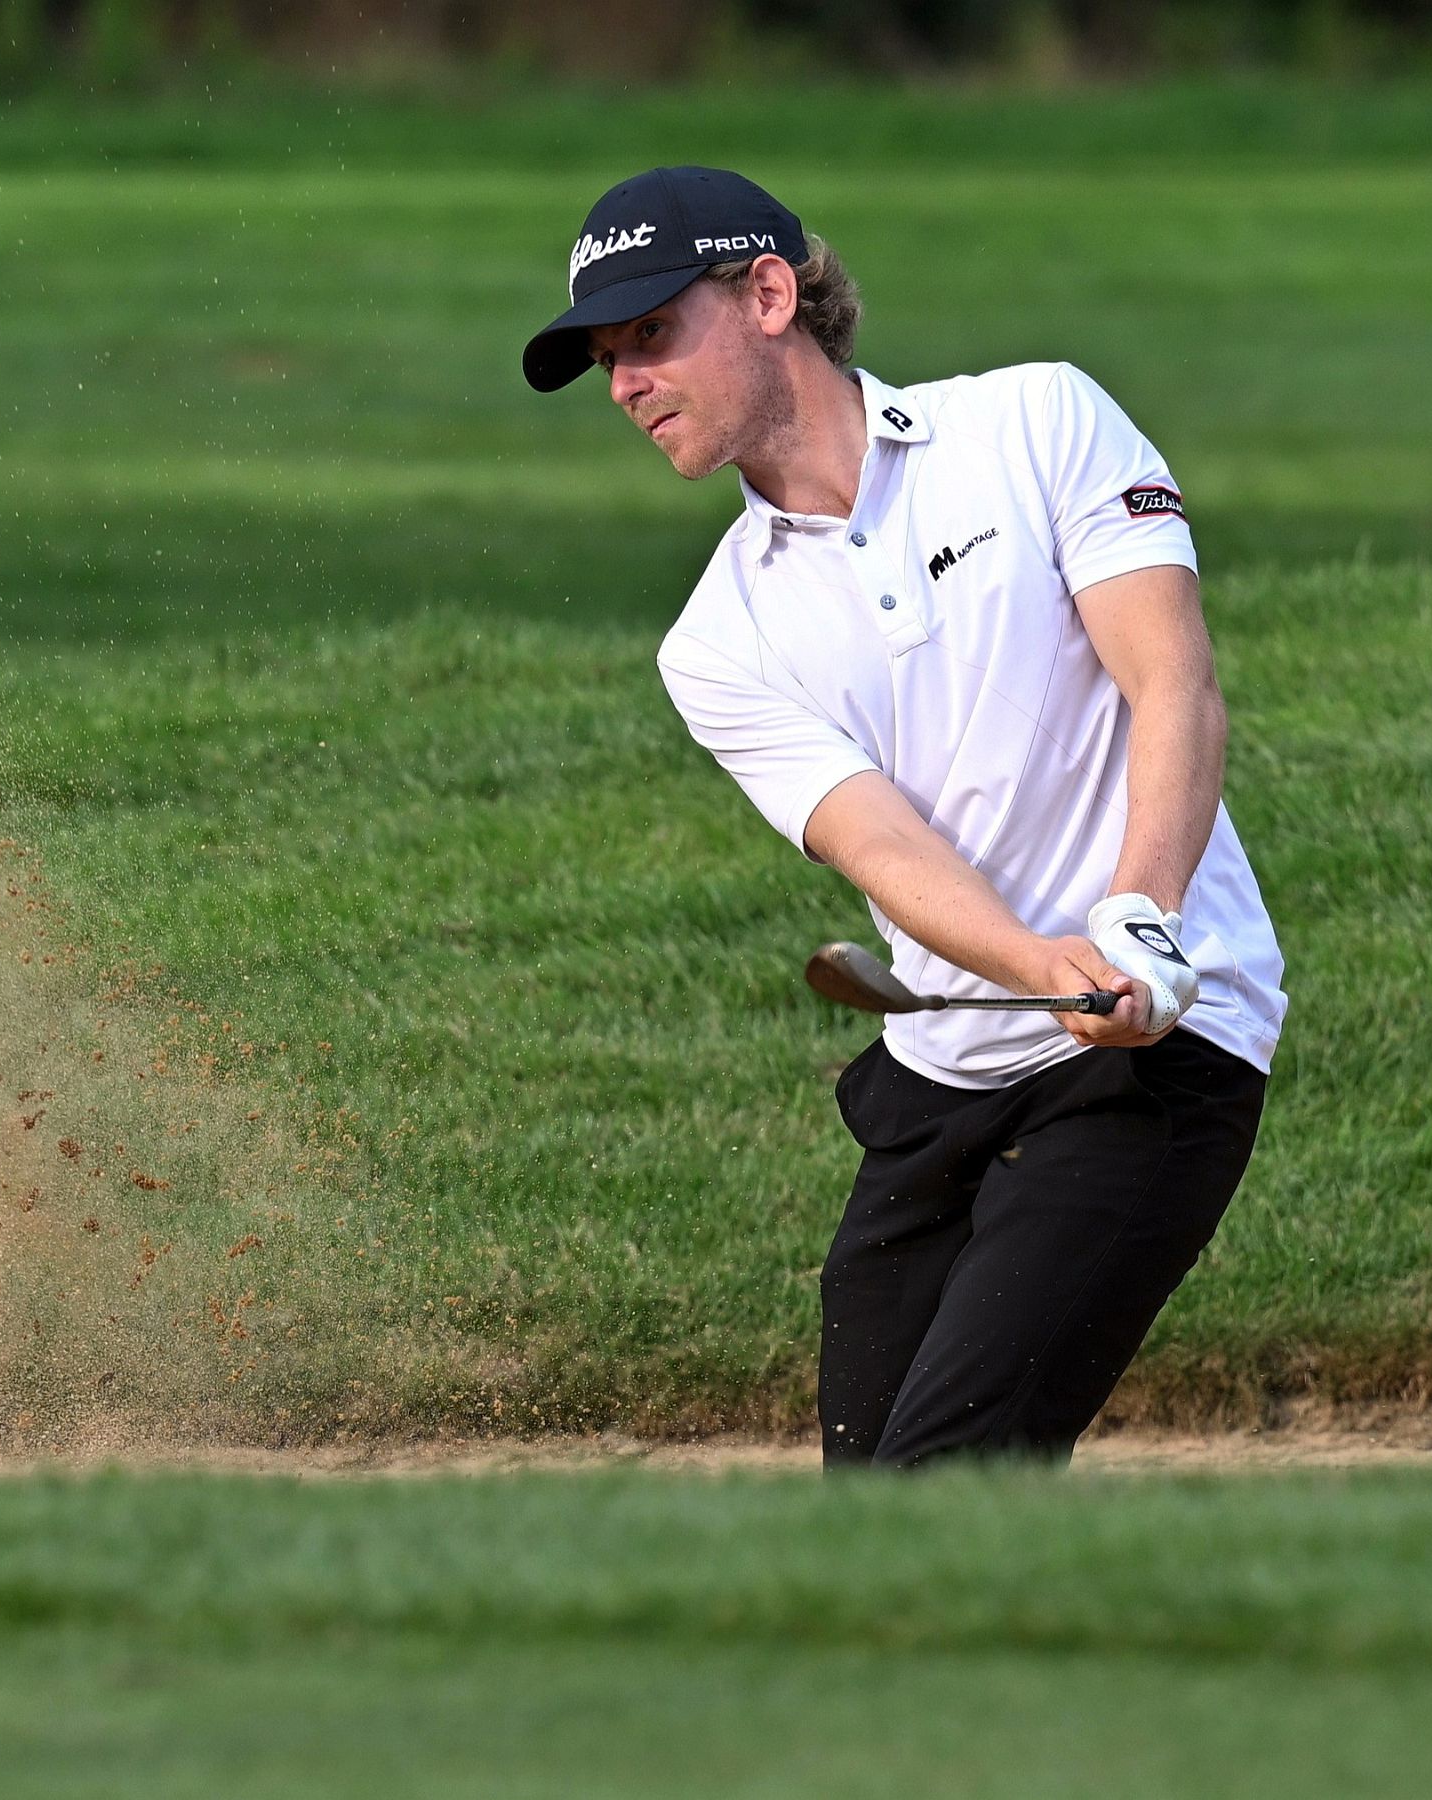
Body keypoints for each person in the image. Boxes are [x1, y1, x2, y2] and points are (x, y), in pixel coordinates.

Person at [524, 167, 1289, 1469]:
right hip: (948, 1078)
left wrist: (1140, 925)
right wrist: (1043, 965)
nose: (625, 386)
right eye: (606, 360)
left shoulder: (1039, 421)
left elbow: (1173, 680)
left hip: (1156, 1054)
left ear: (769, 294)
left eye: (650, 337)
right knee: (874, 1511)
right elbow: (880, 845)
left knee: (944, 1476)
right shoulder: (715, 640)